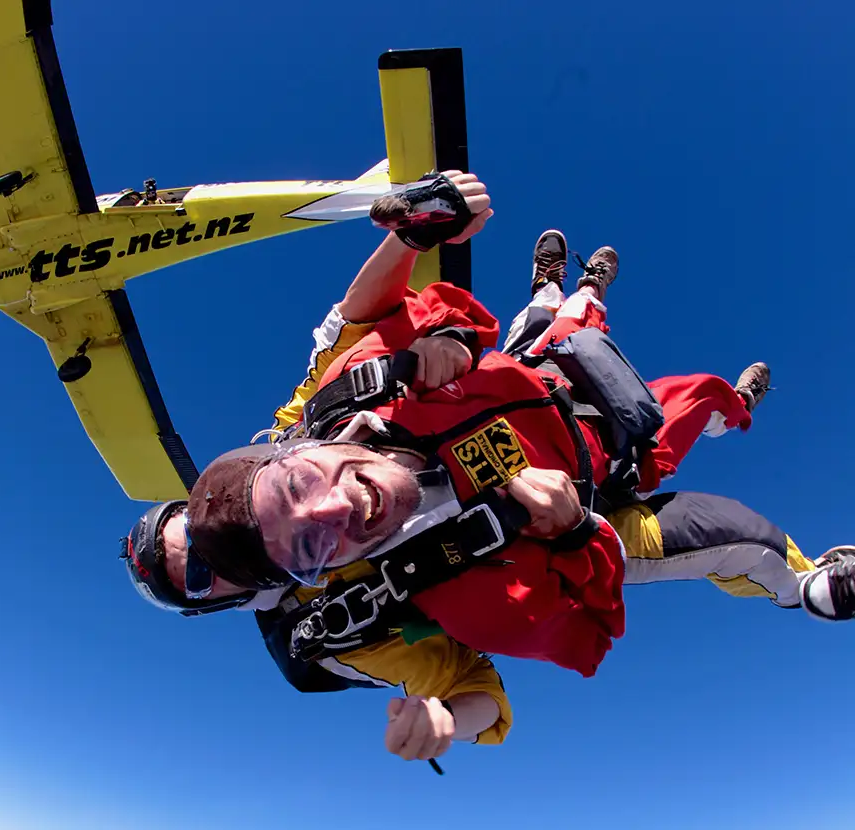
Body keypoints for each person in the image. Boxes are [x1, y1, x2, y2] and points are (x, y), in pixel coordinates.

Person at [121, 173, 854, 761]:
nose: (326, 512)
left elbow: (352, 324)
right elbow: (476, 689)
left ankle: (572, 284)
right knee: (715, 487)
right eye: (206, 573)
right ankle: (811, 583)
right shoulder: (340, 623)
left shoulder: (304, 432)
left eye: (197, 527)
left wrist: (409, 236)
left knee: (558, 327)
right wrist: (446, 722)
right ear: (245, 595)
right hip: (590, 502)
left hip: (539, 389)